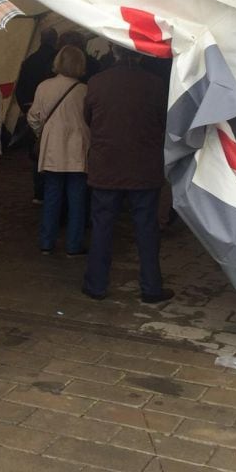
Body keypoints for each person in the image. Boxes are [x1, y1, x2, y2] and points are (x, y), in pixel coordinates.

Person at [82, 44, 173, 304]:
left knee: (102, 226)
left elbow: (88, 117)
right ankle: (151, 287)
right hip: (144, 166)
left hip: (107, 164)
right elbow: (163, 121)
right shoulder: (155, 84)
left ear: (112, 50)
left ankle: (96, 284)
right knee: (147, 228)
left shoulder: (97, 82)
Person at [28, 45, 89, 256]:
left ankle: (46, 241)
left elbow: (33, 116)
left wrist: (41, 133)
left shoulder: (44, 86)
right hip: (78, 149)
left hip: (52, 147)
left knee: (52, 196)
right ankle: (74, 244)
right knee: (77, 199)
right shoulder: (84, 90)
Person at [14, 27, 58, 202]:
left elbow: (20, 87)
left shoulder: (30, 60)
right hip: (53, 112)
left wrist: (26, 108)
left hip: (34, 112)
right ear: (55, 40)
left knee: (37, 152)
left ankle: (39, 192)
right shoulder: (56, 59)